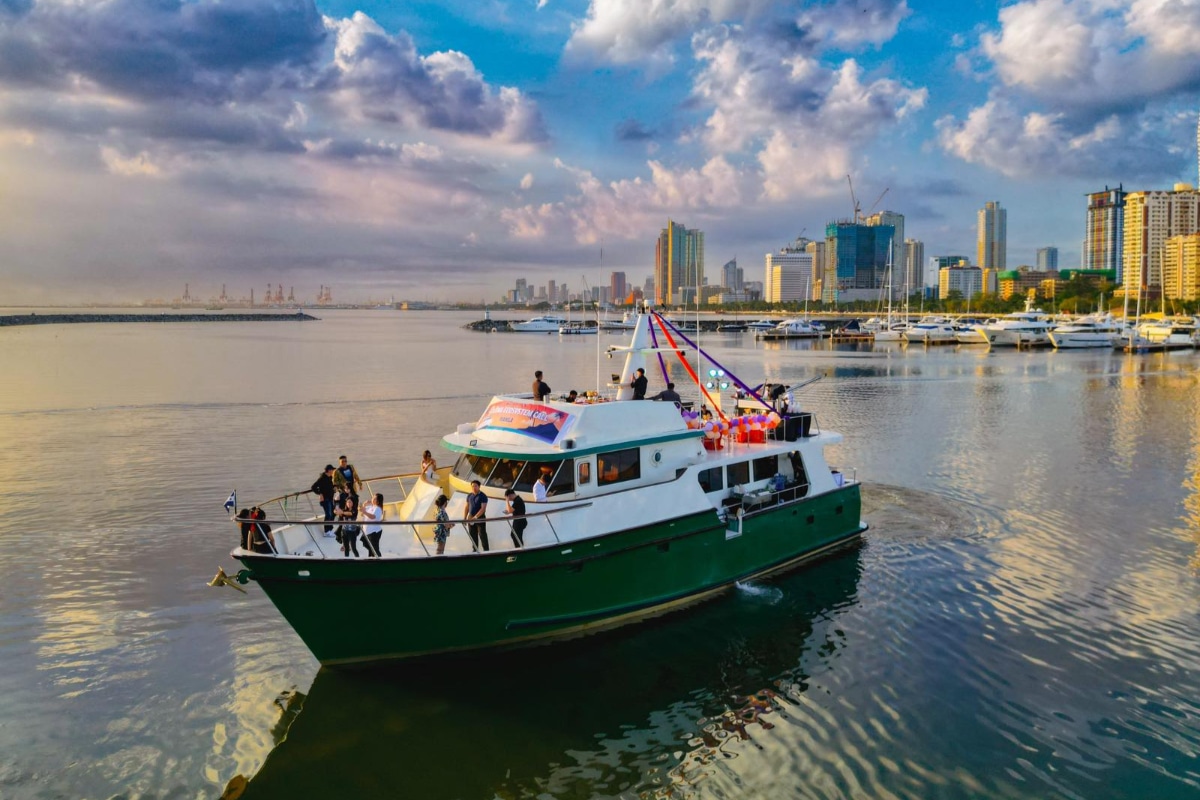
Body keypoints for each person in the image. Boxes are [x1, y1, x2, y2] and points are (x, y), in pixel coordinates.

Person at [311, 465, 337, 535]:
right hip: (325, 499)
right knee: (328, 514)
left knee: (333, 514)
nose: (333, 471)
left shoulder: (331, 477)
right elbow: (313, 487)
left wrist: (334, 489)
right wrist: (320, 494)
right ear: (329, 470)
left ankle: (330, 529)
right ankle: (326, 531)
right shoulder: (322, 478)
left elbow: (332, 486)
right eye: (332, 470)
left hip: (331, 498)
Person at [465, 480, 489, 552]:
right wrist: (465, 518)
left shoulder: (483, 496)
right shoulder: (469, 495)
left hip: (480, 518)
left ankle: (486, 550)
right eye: (472, 486)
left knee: (482, 535)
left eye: (475, 486)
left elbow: (483, 509)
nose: (474, 488)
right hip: (470, 517)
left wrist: (475, 517)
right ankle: (475, 550)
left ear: (479, 487)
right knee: (473, 535)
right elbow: (467, 507)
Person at [336, 493, 360, 557]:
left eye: (350, 502)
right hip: (344, 532)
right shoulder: (344, 510)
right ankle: (346, 559)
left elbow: (350, 514)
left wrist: (342, 512)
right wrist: (336, 502)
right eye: (347, 502)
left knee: (353, 548)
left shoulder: (355, 510)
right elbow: (336, 511)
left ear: (353, 503)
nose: (349, 504)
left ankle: (358, 560)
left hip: (352, 532)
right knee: (346, 548)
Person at [361, 493, 384, 557]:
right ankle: (372, 558)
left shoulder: (378, 509)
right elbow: (362, 513)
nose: (372, 499)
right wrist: (364, 505)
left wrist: (365, 512)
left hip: (374, 532)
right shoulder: (371, 507)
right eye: (373, 497)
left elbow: (373, 517)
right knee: (367, 545)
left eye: (375, 498)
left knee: (375, 549)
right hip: (367, 532)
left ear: (378, 501)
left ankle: (378, 560)